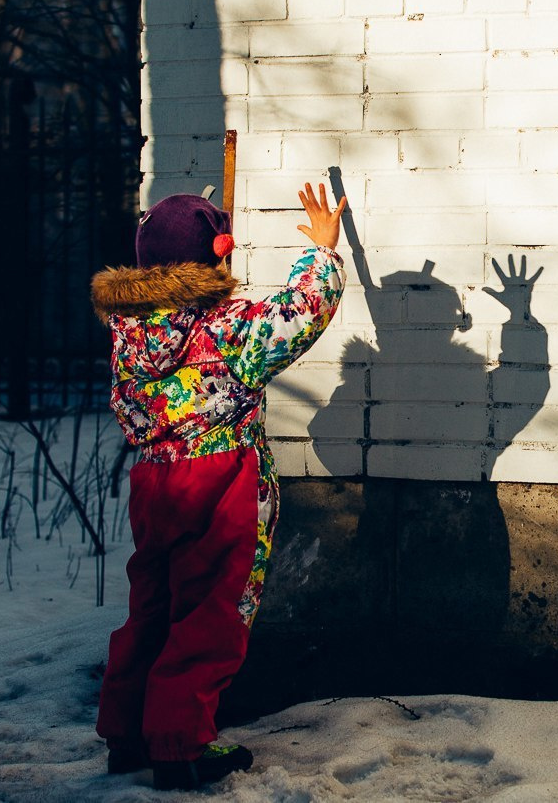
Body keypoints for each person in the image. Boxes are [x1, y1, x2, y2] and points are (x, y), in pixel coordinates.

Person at [90, 182, 346, 790]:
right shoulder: (228, 329)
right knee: (211, 608)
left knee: (151, 602)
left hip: (155, 480)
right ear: (217, 255)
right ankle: (180, 744)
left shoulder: (130, 331)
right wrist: (323, 253)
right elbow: (298, 313)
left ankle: (126, 733)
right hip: (221, 479)